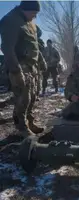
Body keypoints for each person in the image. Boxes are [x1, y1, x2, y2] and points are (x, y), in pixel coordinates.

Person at [0, 0, 47, 137]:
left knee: (32, 96)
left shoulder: (29, 22)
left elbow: (34, 45)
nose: (35, 17)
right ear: (24, 9)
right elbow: (7, 49)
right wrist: (16, 71)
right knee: (23, 98)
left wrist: (41, 61)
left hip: (32, 66)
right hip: (20, 67)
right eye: (33, 13)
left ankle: (30, 121)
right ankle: (21, 127)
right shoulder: (11, 21)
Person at [36, 25, 46, 99]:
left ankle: (36, 94)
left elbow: (42, 51)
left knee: (38, 79)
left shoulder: (39, 41)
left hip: (37, 63)